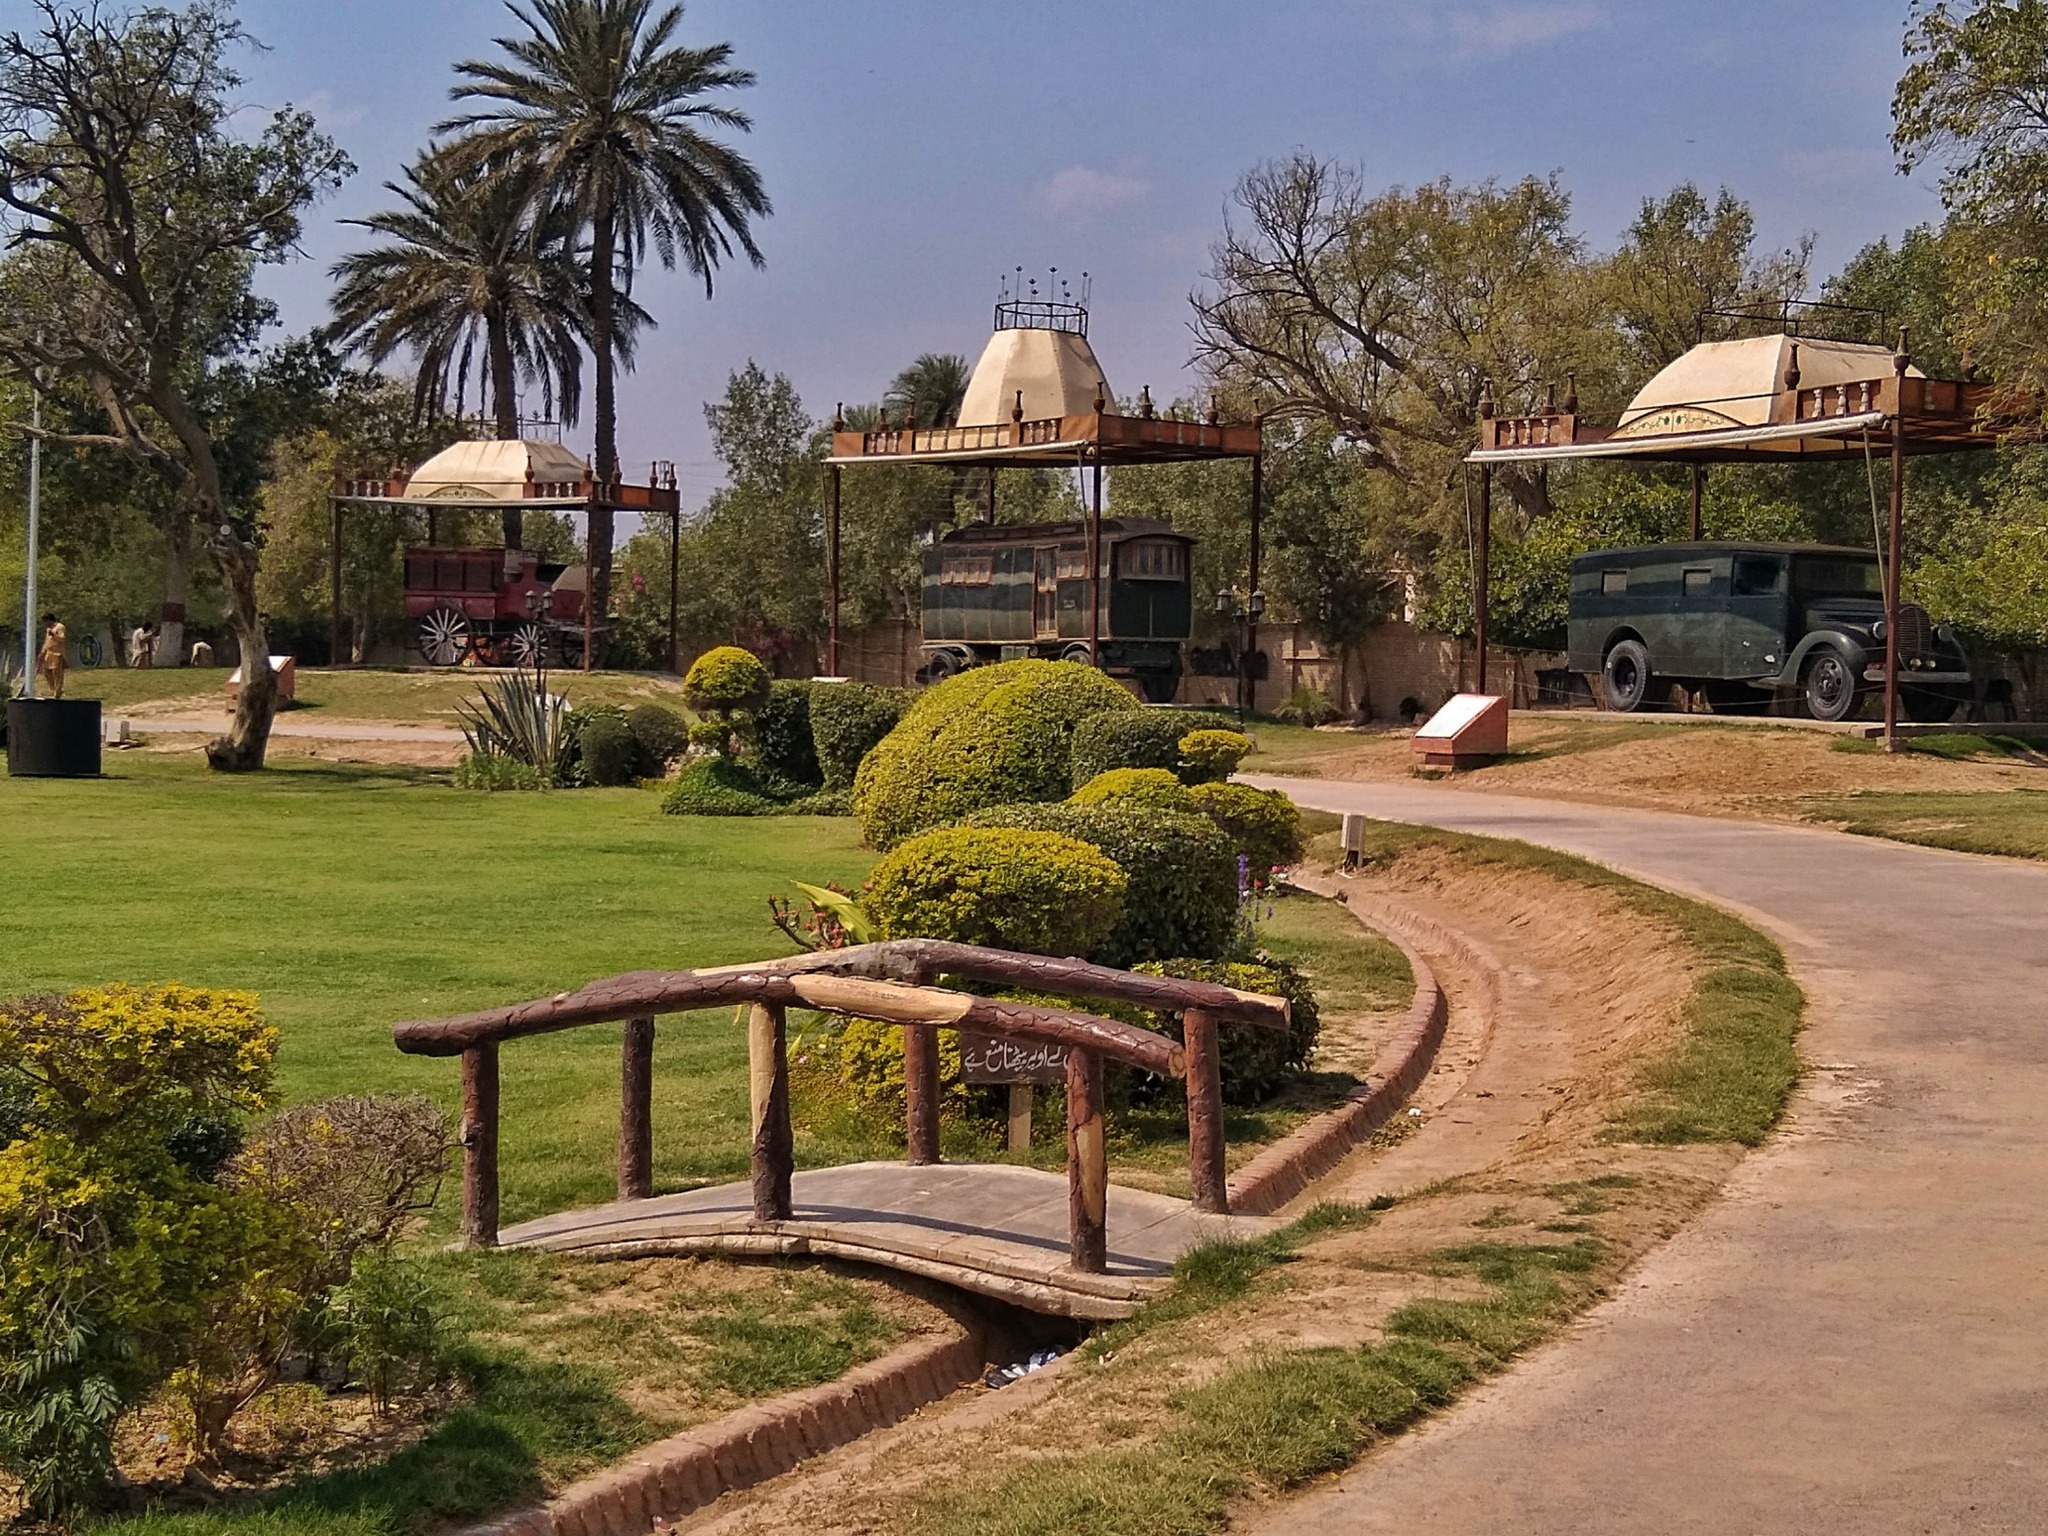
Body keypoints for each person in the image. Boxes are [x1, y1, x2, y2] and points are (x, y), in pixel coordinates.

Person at [36, 612, 65, 698]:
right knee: (46, 672)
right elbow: (47, 642)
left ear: (50, 620)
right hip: (48, 654)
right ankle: (54, 689)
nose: (45, 624)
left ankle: (57, 692)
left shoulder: (60, 627)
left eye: (46, 622)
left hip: (57, 653)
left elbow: (62, 639)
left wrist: (54, 634)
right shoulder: (48, 629)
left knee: (57, 673)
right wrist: (42, 653)